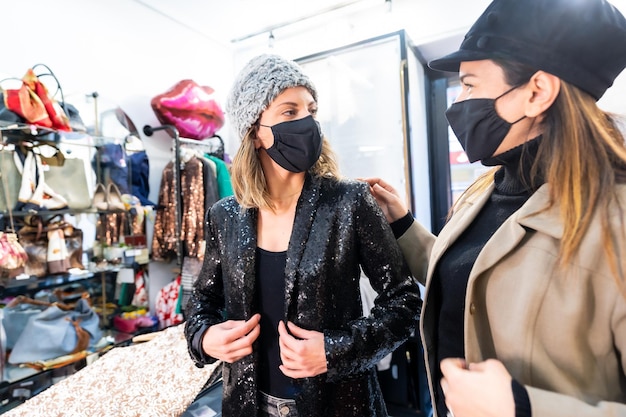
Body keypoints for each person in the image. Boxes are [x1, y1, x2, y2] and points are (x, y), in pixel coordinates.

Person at [364, 0, 626, 416]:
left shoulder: (615, 219)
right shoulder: (489, 186)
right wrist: (403, 224)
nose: (459, 102)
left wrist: (523, 408)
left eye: (469, 84)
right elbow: (482, 278)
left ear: (537, 92)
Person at [184, 54, 421, 417]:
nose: (307, 121)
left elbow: (404, 304)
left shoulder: (349, 202)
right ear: (255, 132)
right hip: (249, 405)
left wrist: (334, 350)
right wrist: (205, 338)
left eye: (311, 109)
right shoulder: (224, 216)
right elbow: (201, 302)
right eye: (289, 112)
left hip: (340, 405)